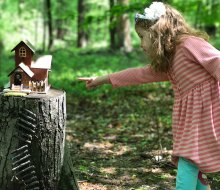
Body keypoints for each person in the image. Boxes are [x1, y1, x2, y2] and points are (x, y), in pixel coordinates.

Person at [78, 2, 220, 189]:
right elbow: (140, 74)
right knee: (193, 165)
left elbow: (217, 62)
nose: (140, 43)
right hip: (192, 122)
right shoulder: (169, 61)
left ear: (157, 32)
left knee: (188, 161)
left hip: (207, 118)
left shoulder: (189, 44)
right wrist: (102, 79)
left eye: (142, 36)